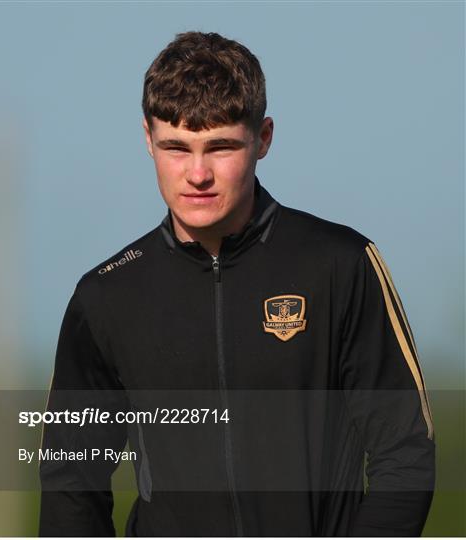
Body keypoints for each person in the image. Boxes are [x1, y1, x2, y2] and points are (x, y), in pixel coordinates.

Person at [39, 31, 435, 537]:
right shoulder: (105, 295)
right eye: (176, 148)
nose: (197, 173)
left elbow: (405, 450)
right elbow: (71, 475)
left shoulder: (341, 264)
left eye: (221, 146)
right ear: (147, 139)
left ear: (263, 138)